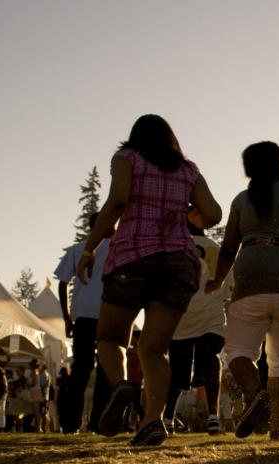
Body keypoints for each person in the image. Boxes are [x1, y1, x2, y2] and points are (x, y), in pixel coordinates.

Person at [77, 114, 222, 446]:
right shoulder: (188, 170)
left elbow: (117, 200)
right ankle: (152, 421)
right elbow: (213, 214)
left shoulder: (127, 158)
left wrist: (89, 248)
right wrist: (181, 212)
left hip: (132, 256)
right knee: (153, 350)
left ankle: (122, 386)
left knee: (111, 338)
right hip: (178, 263)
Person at [206, 141, 279, 441]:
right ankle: (277, 428)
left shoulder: (242, 200)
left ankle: (254, 392)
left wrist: (218, 280)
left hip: (251, 276)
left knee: (238, 351)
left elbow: (230, 245)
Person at [166, 222, 229, 436]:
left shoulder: (174, 247)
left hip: (180, 317)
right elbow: (227, 287)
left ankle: (167, 418)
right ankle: (213, 417)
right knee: (211, 360)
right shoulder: (216, 248)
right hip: (210, 315)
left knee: (176, 371)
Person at [55, 212, 113, 434]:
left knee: (81, 367)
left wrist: (67, 317)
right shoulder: (116, 247)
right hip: (107, 313)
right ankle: (98, 419)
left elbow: (62, 283)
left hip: (82, 315)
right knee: (105, 367)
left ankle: (70, 421)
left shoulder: (77, 250)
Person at [28, 359, 51, 433]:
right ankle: (38, 427)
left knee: (37, 412)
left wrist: (28, 385)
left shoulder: (34, 372)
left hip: (35, 392)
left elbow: (34, 382)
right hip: (37, 392)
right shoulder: (39, 373)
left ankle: (38, 428)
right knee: (38, 412)